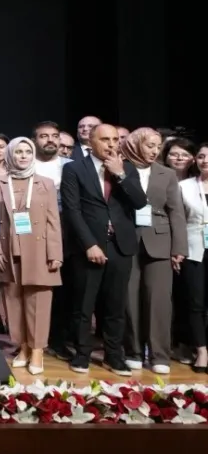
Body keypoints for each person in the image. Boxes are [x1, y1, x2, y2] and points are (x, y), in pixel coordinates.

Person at [60, 124, 147, 375]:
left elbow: (140, 202)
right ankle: (82, 354)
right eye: (105, 139)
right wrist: (89, 244)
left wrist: (120, 174)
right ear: (91, 141)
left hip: (120, 245)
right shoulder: (74, 168)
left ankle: (113, 356)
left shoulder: (128, 168)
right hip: (88, 246)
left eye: (114, 140)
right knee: (83, 305)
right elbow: (72, 211)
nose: (111, 144)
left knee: (116, 306)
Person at [0, 137, 61, 376]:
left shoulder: (45, 183)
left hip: (39, 250)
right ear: (10, 155)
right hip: (8, 249)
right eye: (18, 152)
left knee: (39, 301)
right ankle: (22, 347)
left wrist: (55, 253)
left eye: (27, 152)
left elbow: (53, 221)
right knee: (13, 301)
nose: (23, 156)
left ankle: (37, 350)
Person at [119, 127, 186, 374]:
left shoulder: (166, 174)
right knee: (129, 298)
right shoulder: (120, 168)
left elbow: (176, 212)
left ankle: (160, 356)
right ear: (136, 144)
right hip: (126, 239)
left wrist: (179, 247)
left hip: (160, 240)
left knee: (159, 300)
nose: (155, 151)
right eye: (150, 145)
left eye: (158, 146)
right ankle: (133, 352)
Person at [178, 142, 208, 372]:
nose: (205, 161)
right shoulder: (184, 186)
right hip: (193, 249)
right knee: (195, 302)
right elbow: (177, 220)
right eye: (201, 156)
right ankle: (201, 350)